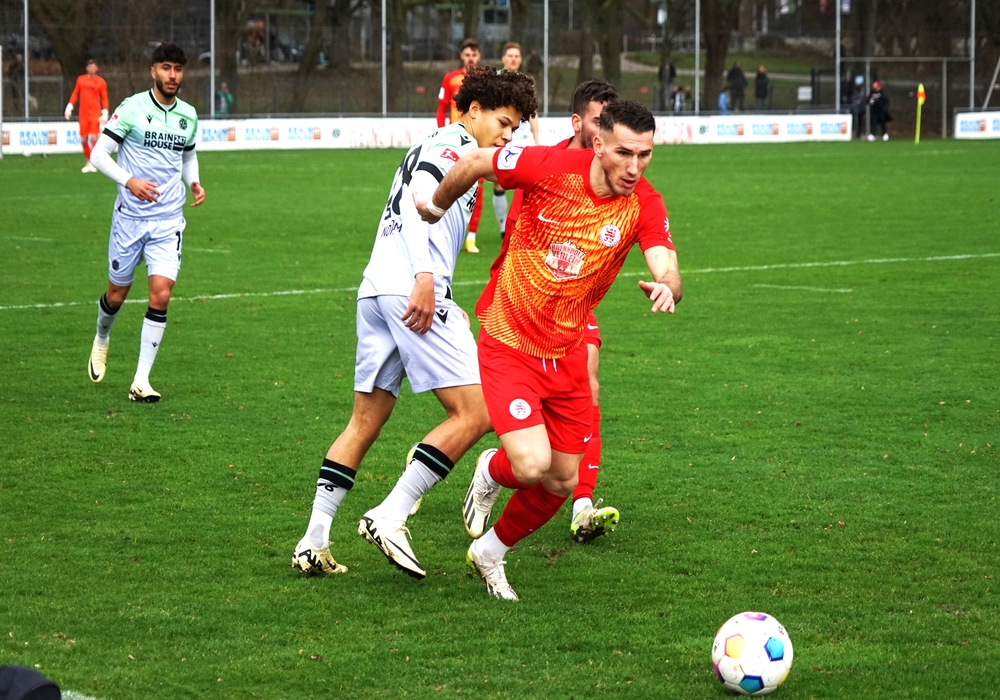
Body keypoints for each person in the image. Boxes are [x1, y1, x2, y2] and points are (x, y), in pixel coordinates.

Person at [415, 99, 682, 599]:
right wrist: (434, 207)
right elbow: (474, 162)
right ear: (598, 143)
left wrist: (668, 284)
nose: (634, 167)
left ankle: (489, 551)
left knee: (562, 480)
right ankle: (494, 468)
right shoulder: (549, 165)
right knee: (531, 465)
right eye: (624, 153)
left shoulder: (644, 202)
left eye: (645, 155)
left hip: (567, 350)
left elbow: (666, 261)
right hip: (510, 340)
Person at [291, 67, 538, 579]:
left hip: (378, 289)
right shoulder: (453, 145)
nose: (508, 135)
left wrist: (439, 285)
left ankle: (313, 541)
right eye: (503, 122)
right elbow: (415, 202)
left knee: (364, 422)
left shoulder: (443, 145)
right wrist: (426, 278)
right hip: (410, 289)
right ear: (474, 111)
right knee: (479, 410)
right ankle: (391, 514)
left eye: (515, 128)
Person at [502, 78, 623, 544]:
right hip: (529, 303)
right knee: (507, 413)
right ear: (577, 123)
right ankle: (488, 467)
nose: (605, 133)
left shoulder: (618, 174)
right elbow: (517, 236)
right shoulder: (544, 165)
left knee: (590, 383)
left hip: (576, 305)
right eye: (598, 122)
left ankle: (582, 503)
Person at [86, 43, 204, 402]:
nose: (172, 75)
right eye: (166, 67)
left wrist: (193, 181)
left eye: (178, 69)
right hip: (130, 220)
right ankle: (102, 337)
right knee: (116, 295)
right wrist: (129, 181)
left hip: (168, 221)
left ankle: (141, 381)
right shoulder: (132, 108)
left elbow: (188, 155)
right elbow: (99, 155)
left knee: (161, 294)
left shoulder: (188, 115)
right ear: (153, 71)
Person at [436, 38, 485, 254]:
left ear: (479, 56)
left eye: (474, 55)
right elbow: (441, 109)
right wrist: (442, 133)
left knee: (477, 188)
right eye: (467, 55)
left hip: (478, 140)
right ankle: (446, 232)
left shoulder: (485, 80)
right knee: (449, 185)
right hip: (455, 139)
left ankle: (471, 237)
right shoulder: (450, 79)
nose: (471, 58)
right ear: (461, 56)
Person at [489, 42, 539, 235]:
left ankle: (526, 226)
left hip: (523, 138)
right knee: (499, 182)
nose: (513, 59)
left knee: (528, 181)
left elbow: (533, 113)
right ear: (503, 58)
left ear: (520, 59)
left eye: (516, 56)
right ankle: (504, 228)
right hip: (502, 136)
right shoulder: (495, 80)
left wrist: (536, 139)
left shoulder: (526, 82)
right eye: (510, 56)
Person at [64, 59, 110, 173]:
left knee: (94, 137)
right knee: (83, 139)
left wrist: (105, 111)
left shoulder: (101, 82)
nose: (92, 69)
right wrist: (69, 106)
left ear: (97, 68)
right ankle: (88, 161)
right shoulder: (81, 80)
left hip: (95, 114)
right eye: (90, 67)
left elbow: (104, 97)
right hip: (83, 114)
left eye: (94, 67)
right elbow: (75, 93)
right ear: (87, 68)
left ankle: (93, 162)